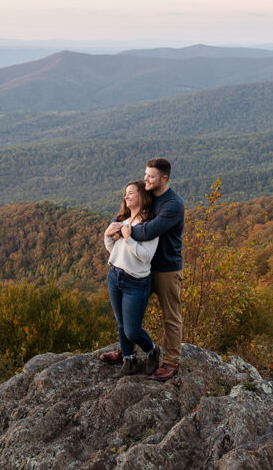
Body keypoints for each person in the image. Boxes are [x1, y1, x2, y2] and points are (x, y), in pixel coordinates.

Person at [102, 158, 184, 381]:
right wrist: (118, 225)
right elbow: (129, 211)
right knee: (128, 317)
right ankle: (127, 352)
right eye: (145, 175)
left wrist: (125, 230)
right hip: (137, 267)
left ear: (164, 178)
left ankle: (170, 361)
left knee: (171, 317)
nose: (146, 179)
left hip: (165, 267)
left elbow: (148, 231)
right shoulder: (147, 195)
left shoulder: (172, 204)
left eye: (151, 176)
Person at [101, 180, 163, 376]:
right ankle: (129, 360)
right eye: (125, 193)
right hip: (115, 275)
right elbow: (114, 251)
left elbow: (146, 257)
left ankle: (152, 351)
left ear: (142, 197)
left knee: (132, 330)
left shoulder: (150, 225)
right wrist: (107, 236)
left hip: (136, 282)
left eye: (130, 193)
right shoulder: (123, 221)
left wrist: (128, 239)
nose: (126, 196)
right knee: (121, 324)